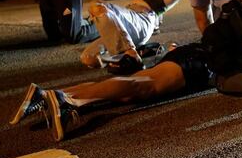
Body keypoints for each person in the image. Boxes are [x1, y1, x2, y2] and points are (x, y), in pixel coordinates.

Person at [9, 43, 213, 141]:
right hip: (203, 61)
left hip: (195, 52)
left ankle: (47, 94)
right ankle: (68, 101)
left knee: (128, 90)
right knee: (144, 85)